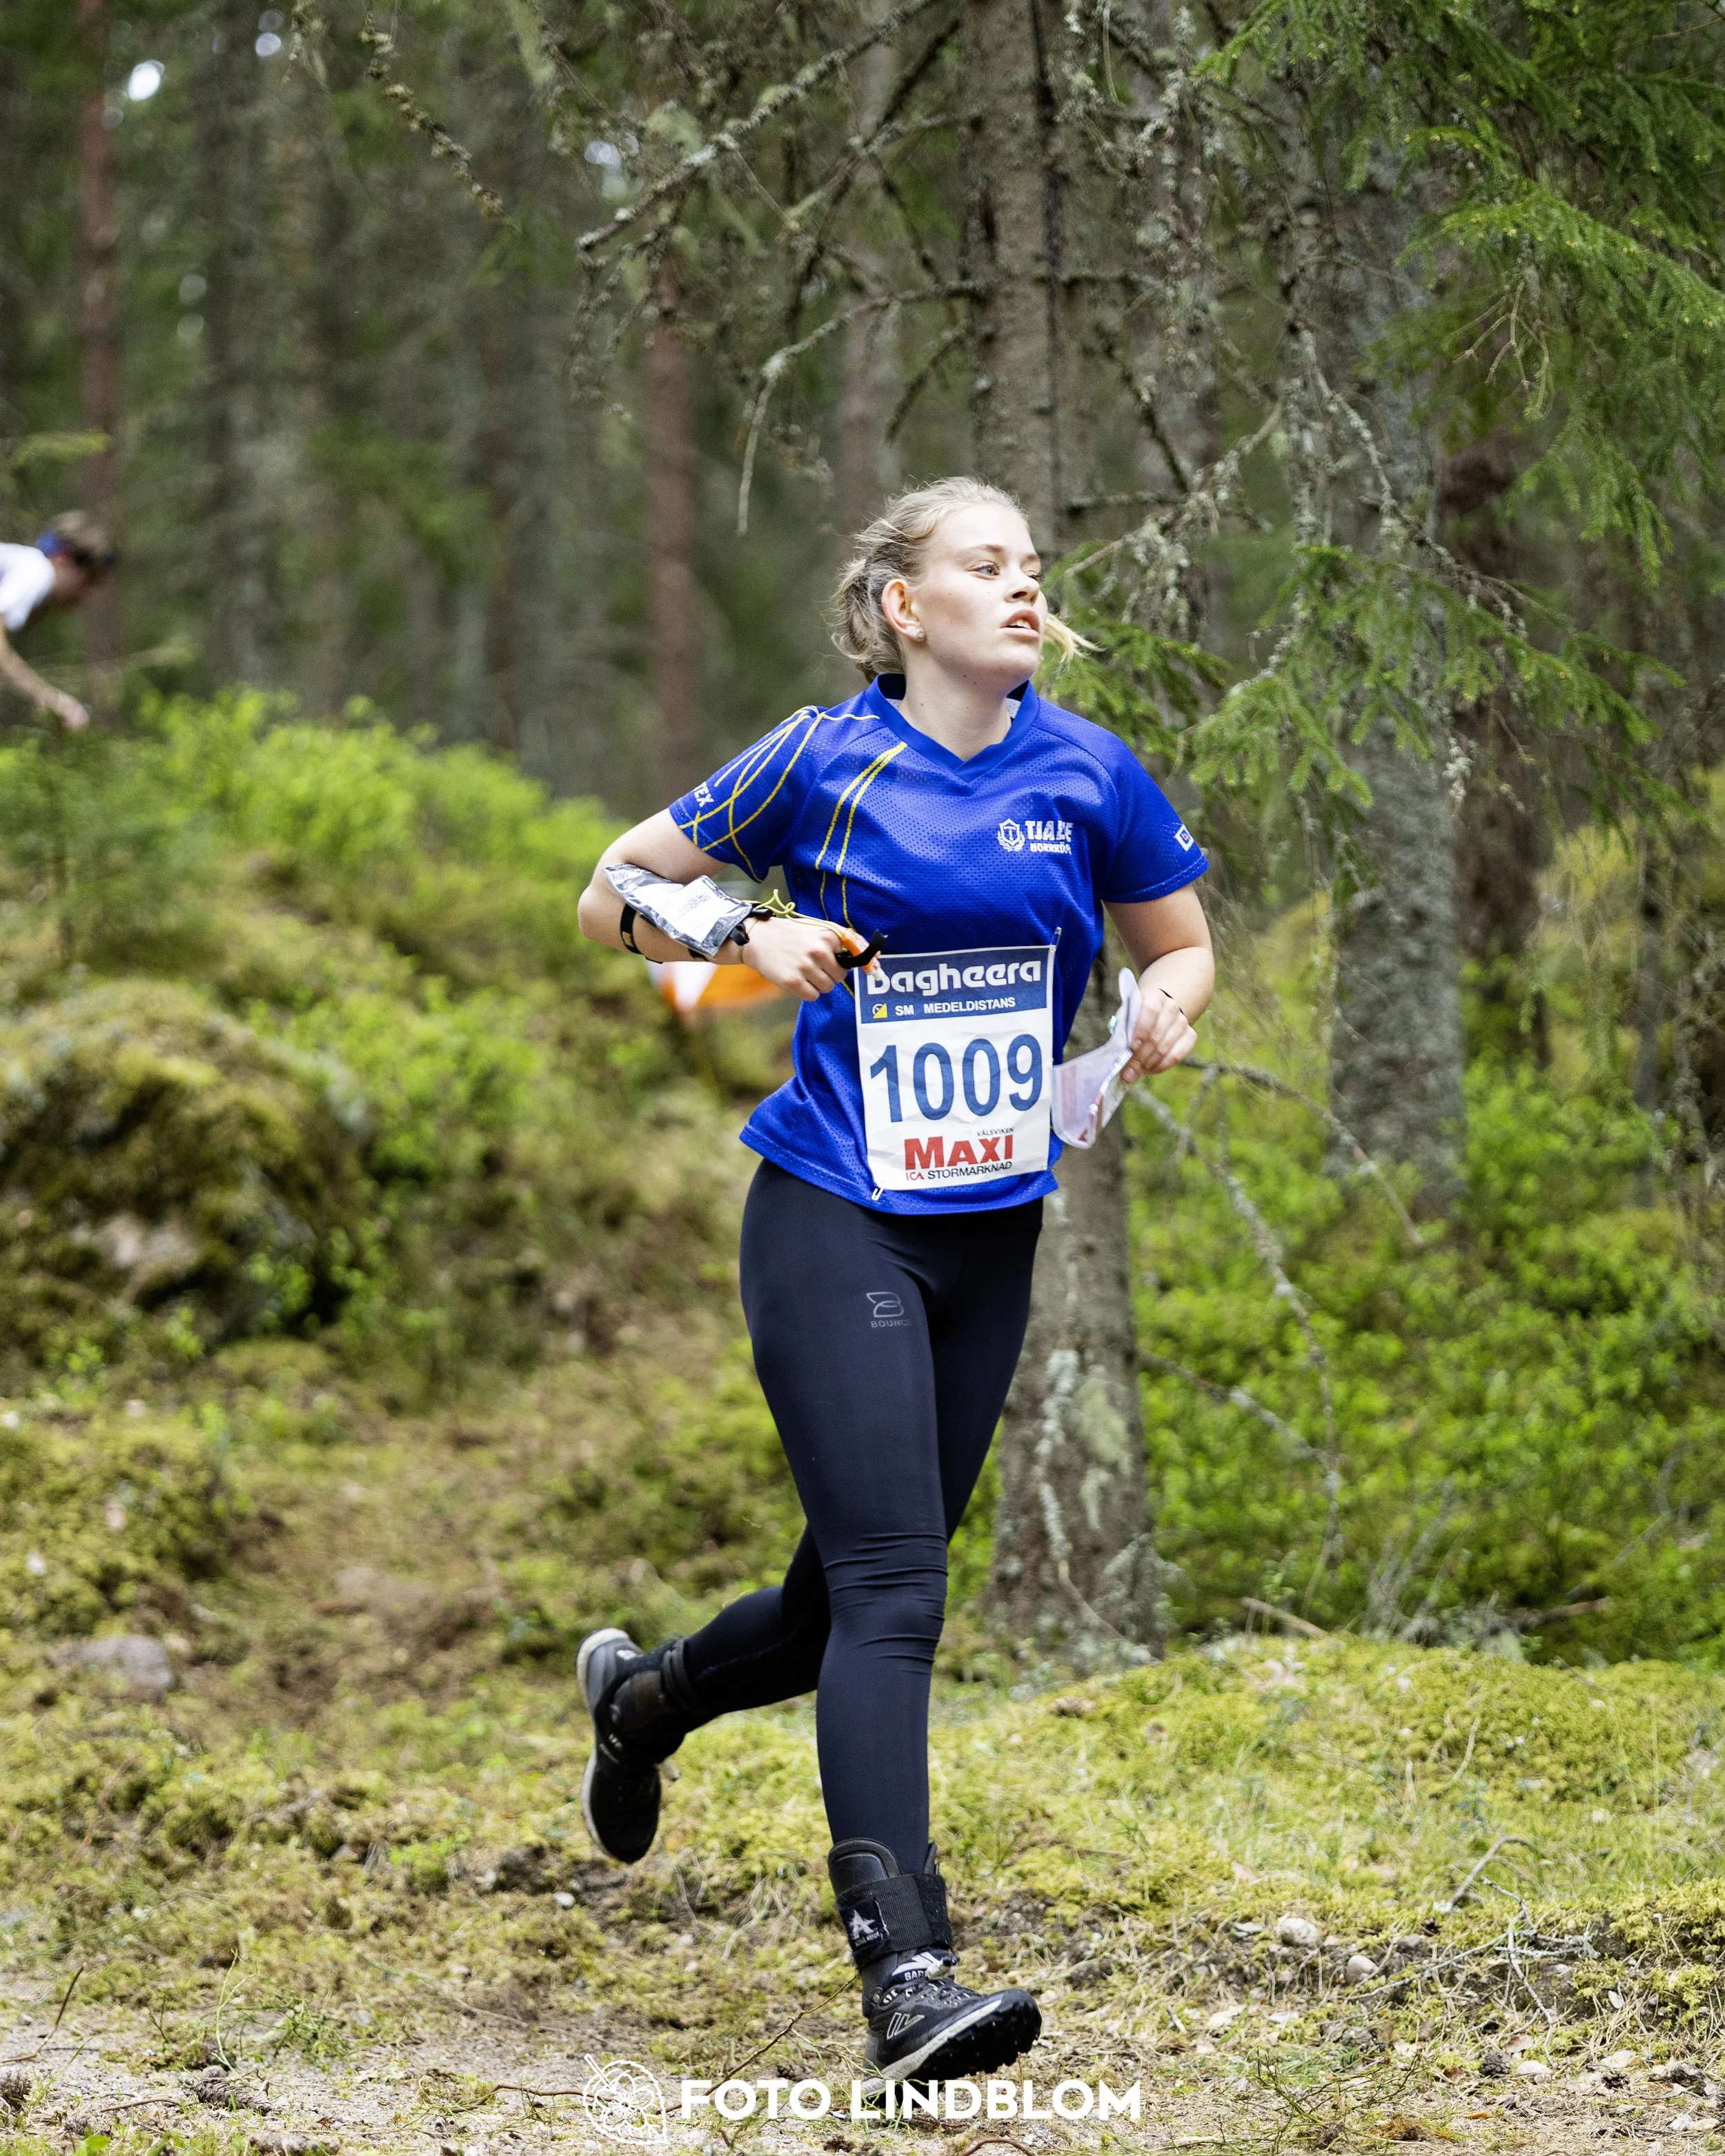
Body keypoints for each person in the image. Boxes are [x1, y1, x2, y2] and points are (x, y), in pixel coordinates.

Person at [575, 476, 1214, 2083]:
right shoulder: (820, 757)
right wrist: (740, 938)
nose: (1023, 588)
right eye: (985, 564)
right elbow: (611, 893)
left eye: (1033, 567)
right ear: (903, 606)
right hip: (832, 1206)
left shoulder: (1087, 771)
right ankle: (906, 1970)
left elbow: (1182, 937)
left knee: (832, 1600)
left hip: (987, 1229)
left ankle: (646, 1700)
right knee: (895, 1594)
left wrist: (1165, 1005)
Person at [0, 512, 118, 731]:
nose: (88, 595)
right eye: (89, 580)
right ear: (63, 558)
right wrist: (50, 698)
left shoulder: (21, 564)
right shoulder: (37, 571)